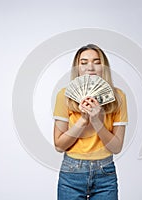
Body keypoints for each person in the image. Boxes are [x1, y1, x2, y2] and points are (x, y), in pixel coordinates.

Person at [53, 44, 128, 200]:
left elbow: (116, 147)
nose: (90, 67)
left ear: (104, 67)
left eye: (97, 61)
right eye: (84, 62)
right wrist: (83, 119)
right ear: (77, 67)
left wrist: (96, 121)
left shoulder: (118, 97)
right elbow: (59, 145)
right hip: (71, 173)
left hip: (105, 174)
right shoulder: (64, 96)